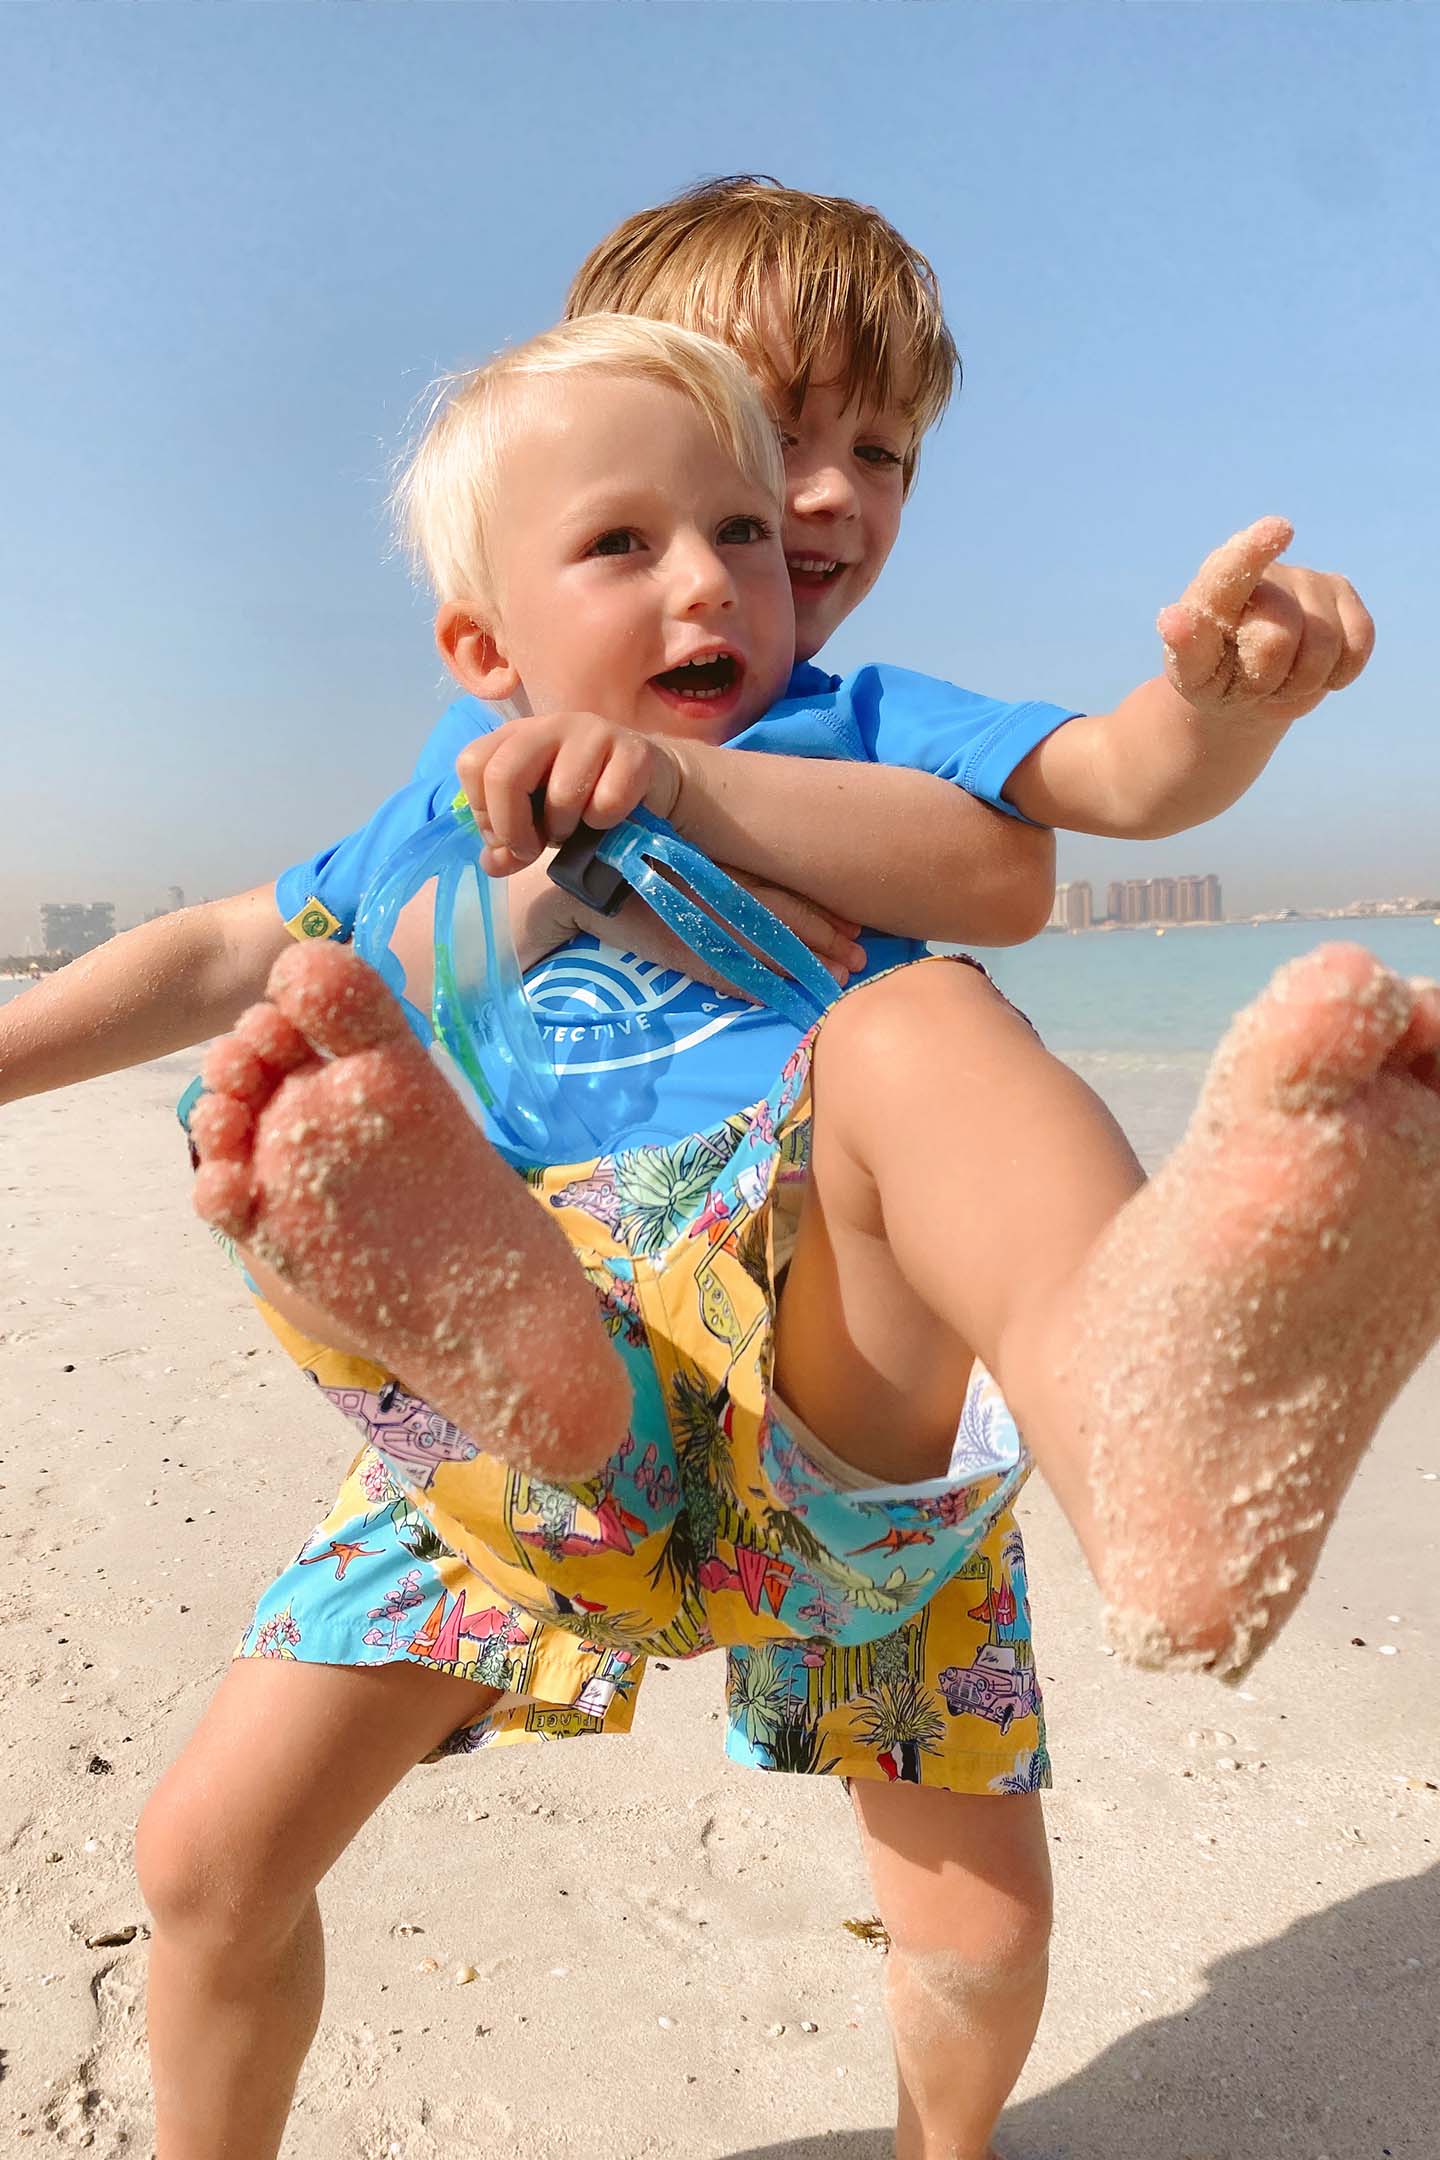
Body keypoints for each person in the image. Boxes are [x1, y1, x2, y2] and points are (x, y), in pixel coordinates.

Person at [177, 313, 1440, 2160]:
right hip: (530, 1376)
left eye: (836, 482)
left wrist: (1215, 713)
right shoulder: (448, 795)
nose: (805, 514)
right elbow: (224, 945)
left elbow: (1065, 818)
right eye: (768, 452)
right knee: (205, 1858)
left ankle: (1144, 1421)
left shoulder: (856, 729)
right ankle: (540, 1365)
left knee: (917, 1032)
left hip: (828, 1367)